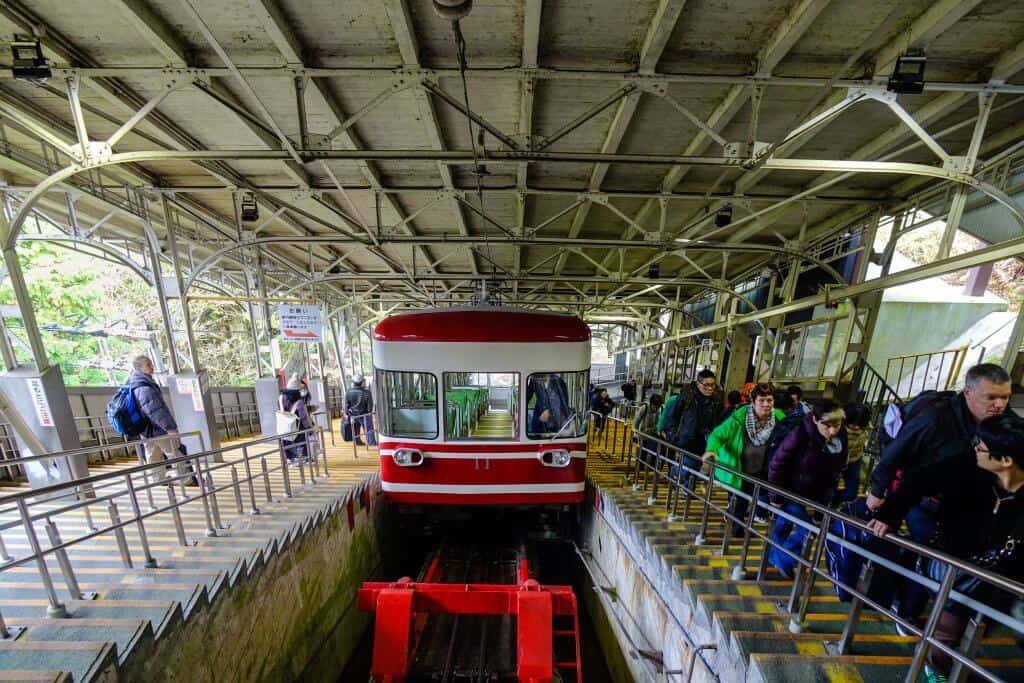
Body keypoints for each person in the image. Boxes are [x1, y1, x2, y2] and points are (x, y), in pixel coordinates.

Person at [867, 413, 1024, 682]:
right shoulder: (965, 466)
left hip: (1004, 575)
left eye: (982, 448)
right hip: (953, 562)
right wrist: (888, 515)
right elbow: (918, 479)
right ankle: (936, 667)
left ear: (1006, 460)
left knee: (982, 621)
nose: (975, 450)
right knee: (953, 620)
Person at [866, 363, 1011, 620]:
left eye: (1005, 397)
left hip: (964, 505)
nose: (999, 405)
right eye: (991, 397)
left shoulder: (1005, 425)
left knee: (942, 556)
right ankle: (908, 613)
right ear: (968, 393)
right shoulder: (934, 420)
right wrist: (878, 492)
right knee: (931, 553)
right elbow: (896, 454)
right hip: (922, 499)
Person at [766, 400, 848, 578]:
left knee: (783, 523)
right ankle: (784, 559)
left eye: (837, 425)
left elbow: (839, 462)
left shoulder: (841, 435)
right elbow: (777, 465)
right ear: (815, 420)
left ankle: (774, 556)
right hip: (788, 489)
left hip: (812, 490)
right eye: (827, 426)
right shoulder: (799, 434)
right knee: (808, 529)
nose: (832, 431)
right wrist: (775, 497)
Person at [703, 383, 787, 537]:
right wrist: (711, 450)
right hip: (741, 470)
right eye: (761, 400)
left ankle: (748, 523)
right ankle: (737, 529)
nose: (766, 404)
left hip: (764, 470)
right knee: (741, 501)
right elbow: (718, 435)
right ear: (753, 401)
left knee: (759, 499)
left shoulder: (780, 419)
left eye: (769, 400)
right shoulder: (739, 418)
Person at [127, 355, 196, 485]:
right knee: (174, 452)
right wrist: (169, 427)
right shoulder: (144, 387)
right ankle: (186, 480)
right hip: (156, 428)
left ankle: (158, 480)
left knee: (153, 454)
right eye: (148, 364)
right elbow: (155, 410)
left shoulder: (134, 384)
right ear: (139, 368)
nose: (152, 366)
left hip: (145, 429)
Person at [666, 370, 724, 483]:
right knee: (688, 467)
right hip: (688, 440)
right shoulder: (687, 397)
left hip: (704, 442)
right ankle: (678, 478)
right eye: (706, 385)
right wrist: (674, 436)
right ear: (698, 384)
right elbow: (671, 417)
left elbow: (718, 421)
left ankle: (684, 485)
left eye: (713, 385)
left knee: (695, 468)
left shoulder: (716, 401)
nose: (710, 388)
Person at [833, 402, 871, 504]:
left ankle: (835, 501)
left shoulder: (865, 429)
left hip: (854, 460)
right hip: (835, 461)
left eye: (859, 424)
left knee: (851, 492)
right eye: (852, 423)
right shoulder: (835, 428)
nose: (856, 427)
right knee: (829, 490)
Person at [280, 374, 314, 462]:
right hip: (298, 426)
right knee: (301, 441)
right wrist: (310, 428)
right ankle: (305, 459)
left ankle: (290, 459)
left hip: (284, 426)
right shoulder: (299, 402)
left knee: (287, 440)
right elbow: (304, 417)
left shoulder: (280, 398)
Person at [632, 393, 664, 464]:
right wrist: (635, 434)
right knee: (642, 452)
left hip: (653, 434)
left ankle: (651, 465)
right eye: (654, 407)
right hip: (643, 434)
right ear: (651, 403)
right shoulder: (644, 408)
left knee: (653, 451)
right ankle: (640, 464)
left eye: (657, 407)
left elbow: (660, 423)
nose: (656, 409)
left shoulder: (661, 409)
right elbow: (636, 422)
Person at [345, 375, 374, 446]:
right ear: (362, 382)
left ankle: (357, 442)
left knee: (355, 429)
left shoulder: (348, 392)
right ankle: (371, 443)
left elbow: (346, 405)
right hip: (364, 414)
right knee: (369, 429)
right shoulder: (367, 392)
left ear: (353, 382)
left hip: (353, 414)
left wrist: (348, 414)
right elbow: (370, 405)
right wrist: (369, 412)